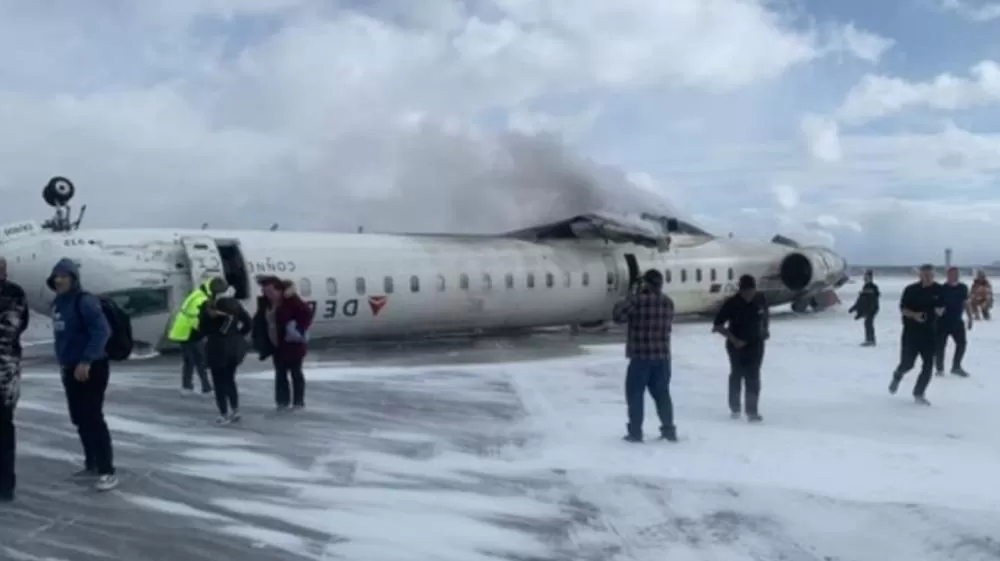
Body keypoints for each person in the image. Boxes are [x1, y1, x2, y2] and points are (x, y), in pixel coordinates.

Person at [48, 258, 118, 491]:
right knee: (78, 417)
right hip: (70, 368)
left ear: (73, 278)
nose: (59, 280)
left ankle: (108, 470)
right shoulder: (58, 303)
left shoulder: (85, 301)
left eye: (64, 276)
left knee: (93, 416)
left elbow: (102, 331)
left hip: (91, 367)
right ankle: (92, 463)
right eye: (56, 276)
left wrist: (86, 360)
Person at [611, 269, 677, 443]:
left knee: (635, 395)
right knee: (662, 395)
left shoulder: (636, 301)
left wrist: (629, 296)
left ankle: (635, 432)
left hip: (640, 357)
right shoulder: (668, 302)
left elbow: (618, 316)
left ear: (646, 283)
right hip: (662, 357)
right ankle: (668, 429)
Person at [713, 274, 769, 422]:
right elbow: (717, 326)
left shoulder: (760, 300)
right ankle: (735, 407)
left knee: (753, 376)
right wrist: (734, 339)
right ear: (740, 290)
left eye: (751, 291)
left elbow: (765, 317)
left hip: (756, 344)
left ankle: (752, 410)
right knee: (737, 374)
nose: (748, 295)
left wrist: (764, 331)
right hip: (736, 345)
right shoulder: (732, 303)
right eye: (745, 291)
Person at [253, 277, 313, 411]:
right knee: (280, 373)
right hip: (276, 344)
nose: (267, 294)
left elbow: (306, 314)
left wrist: (297, 328)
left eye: (270, 291)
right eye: (265, 291)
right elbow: (259, 321)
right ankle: (282, 401)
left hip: (292, 344)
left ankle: (298, 401)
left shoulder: (291, 302)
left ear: (279, 290)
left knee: (295, 372)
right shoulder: (266, 304)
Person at [889, 264, 942, 405]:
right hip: (911, 334)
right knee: (908, 363)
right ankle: (898, 374)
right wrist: (914, 315)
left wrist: (941, 312)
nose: (927, 278)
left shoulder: (939, 290)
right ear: (920, 275)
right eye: (924, 275)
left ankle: (919, 393)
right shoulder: (911, 290)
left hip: (931, 334)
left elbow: (944, 307)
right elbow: (903, 309)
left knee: (928, 365)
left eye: (930, 275)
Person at [167, 277, 229, 395]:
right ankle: (206, 387)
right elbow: (199, 318)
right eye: (220, 292)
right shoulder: (201, 299)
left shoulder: (199, 293)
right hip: (190, 332)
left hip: (183, 331)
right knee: (200, 360)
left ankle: (187, 386)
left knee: (189, 360)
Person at [199, 292, 252, 425]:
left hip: (217, 348)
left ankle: (223, 413)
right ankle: (235, 409)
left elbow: (203, 329)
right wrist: (238, 335)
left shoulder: (211, 309)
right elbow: (249, 323)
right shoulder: (235, 306)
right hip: (234, 348)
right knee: (230, 379)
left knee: (218, 382)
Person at [0, 276, 27, 502]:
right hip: (7, 368)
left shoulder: (13, 294)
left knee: (3, 428)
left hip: (5, 373)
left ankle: (5, 485)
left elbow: (14, 328)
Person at [935, 267, 972, 377]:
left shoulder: (963, 288)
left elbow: (966, 303)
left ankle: (956, 366)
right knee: (940, 346)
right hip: (942, 322)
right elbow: (935, 306)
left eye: (956, 274)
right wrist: (937, 312)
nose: (954, 276)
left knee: (962, 344)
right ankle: (939, 369)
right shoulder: (942, 288)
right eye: (951, 274)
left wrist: (970, 317)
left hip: (957, 321)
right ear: (947, 276)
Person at [0, 258, 29, 358]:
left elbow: (23, 321)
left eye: (1, 268)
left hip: (9, 351)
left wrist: (9, 336)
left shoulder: (15, 292)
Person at [848, 269, 880, 346]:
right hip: (869, 308)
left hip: (872, 308)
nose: (864, 278)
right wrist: (854, 308)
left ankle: (871, 340)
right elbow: (861, 299)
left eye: (866, 277)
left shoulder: (873, 286)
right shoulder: (866, 286)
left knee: (868, 323)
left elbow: (873, 297)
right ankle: (869, 339)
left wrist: (870, 309)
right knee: (867, 323)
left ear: (870, 277)